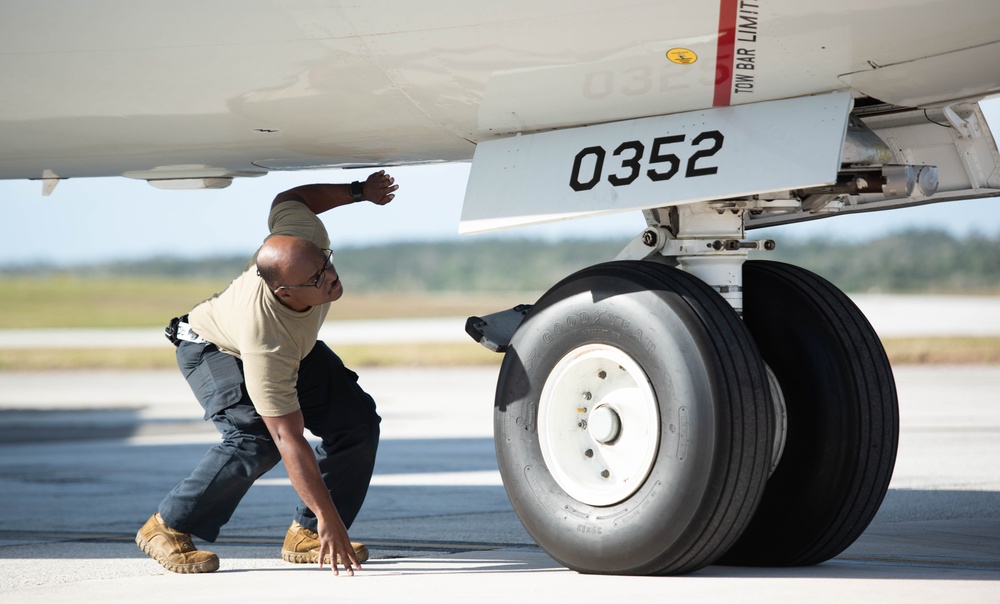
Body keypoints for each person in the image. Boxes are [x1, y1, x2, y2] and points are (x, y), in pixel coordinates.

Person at [136, 170, 398, 576]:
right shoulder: (266, 340)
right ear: (286, 293)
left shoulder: (305, 241)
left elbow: (289, 197)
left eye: (326, 264)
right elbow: (287, 436)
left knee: (357, 423)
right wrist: (330, 513)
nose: (331, 277)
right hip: (213, 346)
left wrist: (358, 192)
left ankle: (307, 535)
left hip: (296, 347)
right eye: (317, 279)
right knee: (255, 440)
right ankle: (168, 526)